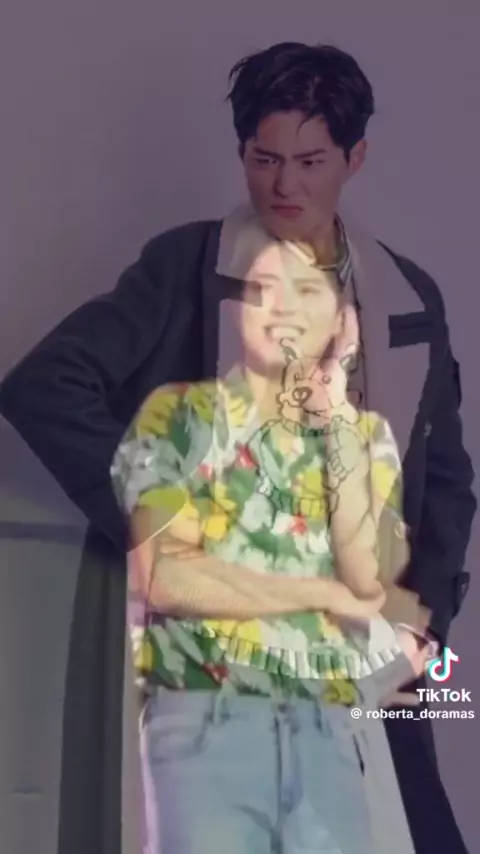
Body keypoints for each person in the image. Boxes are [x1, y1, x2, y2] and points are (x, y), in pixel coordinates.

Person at [0, 41, 475, 854]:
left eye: (310, 161)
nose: (285, 185)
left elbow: (446, 482)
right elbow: (45, 386)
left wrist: (423, 627)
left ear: (354, 158)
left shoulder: (406, 294)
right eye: (265, 159)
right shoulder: (189, 265)